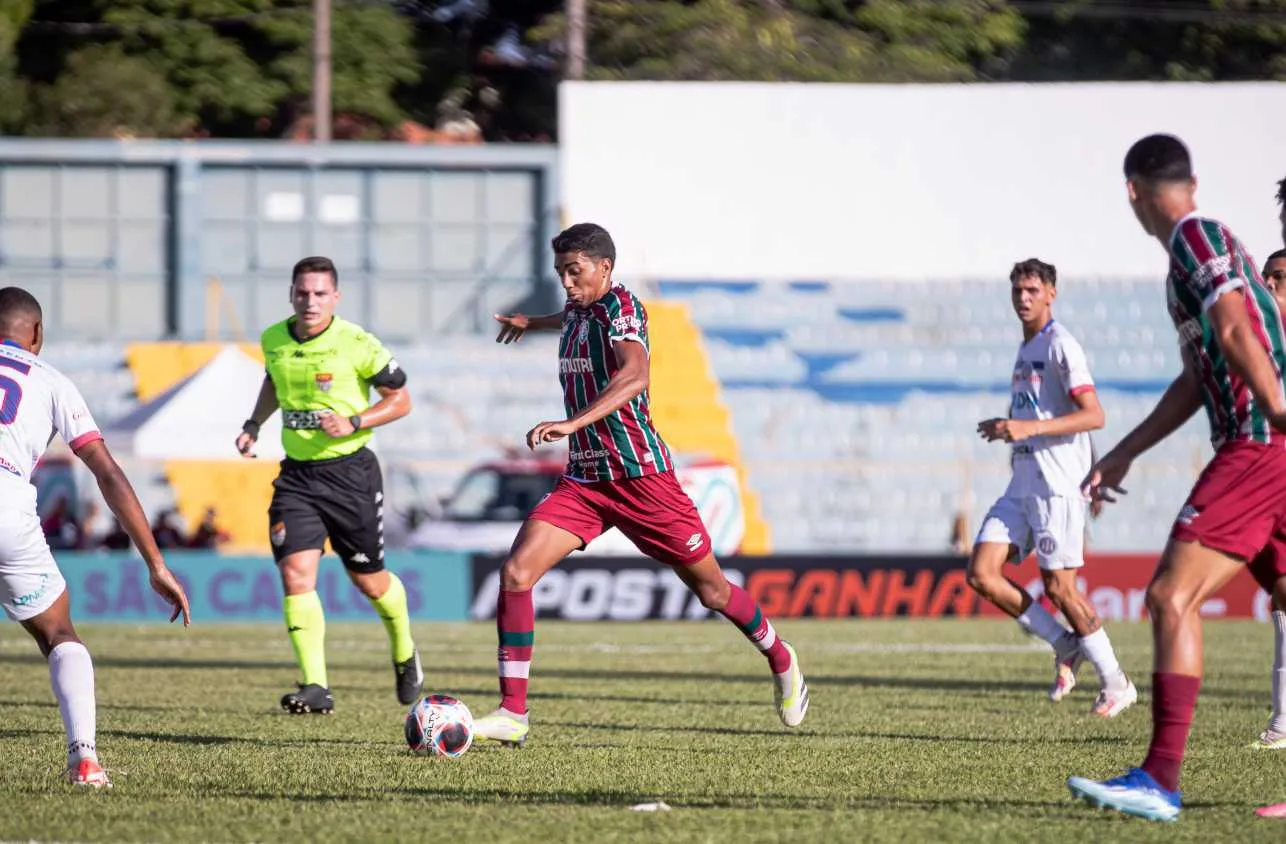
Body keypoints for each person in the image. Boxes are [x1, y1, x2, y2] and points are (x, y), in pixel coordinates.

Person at [474, 223, 808, 746]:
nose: (566, 281)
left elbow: (635, 377)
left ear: (604, 268)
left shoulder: (623, 309)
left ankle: (780, 656)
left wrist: (570, 423)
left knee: (713, 590)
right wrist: (531, 321)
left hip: (642, 480)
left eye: (575, 270)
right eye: (561, 271)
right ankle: (513, 713)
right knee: (516, 572)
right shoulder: (582, 307)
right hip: (586, 480)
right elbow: (567, 315)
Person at [1066, 134, 1286, 822]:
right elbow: (1198, 376)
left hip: (1259, 445)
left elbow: (1233, 331)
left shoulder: (1195, 238)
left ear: (1133, 191)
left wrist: (1279, 407)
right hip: (1269, 446)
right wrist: (1124, 450)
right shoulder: (1187, 263)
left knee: (1168, 597)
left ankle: (1159, 778)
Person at [0, 286, 191, 788]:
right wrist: (156, 563)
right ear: (37, 334)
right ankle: (84, 757)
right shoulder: (51, 380)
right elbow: (107, 472)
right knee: (58, 632)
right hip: (8, 505)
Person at [234, 256, 418, 715]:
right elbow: (274, 381)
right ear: (291, 294)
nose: (310, 301)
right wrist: (254, 423)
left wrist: (355, 420)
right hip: (297, 477)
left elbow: (400, 401)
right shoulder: (274, 338)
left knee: (370, 582)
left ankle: (405, 651)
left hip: (350, 474)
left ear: (336, 297)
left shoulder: (356, 343)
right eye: (302, 292)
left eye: (320, 294)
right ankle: (316, 686)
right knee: (296, 575)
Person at [967, 259, 1135, 717]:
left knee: (1060, 589)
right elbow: (1049, 418)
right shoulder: (1027, 348)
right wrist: (1011, 430)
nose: (1024, 298)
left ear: (1051, 294)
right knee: (982, 572)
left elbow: (1093, 414)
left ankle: (1117, 681)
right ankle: (1064, 644)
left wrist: (1026, 429)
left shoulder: (1062, 345)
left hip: (1055, 486)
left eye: (1032, 290)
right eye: (1018, 290)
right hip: (1022, 483)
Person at [1250, 248, 1286, 755]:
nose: (1272, 284)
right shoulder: (1260, 346)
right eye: (1269, 277)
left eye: (1282, 277)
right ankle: (1281, 720)